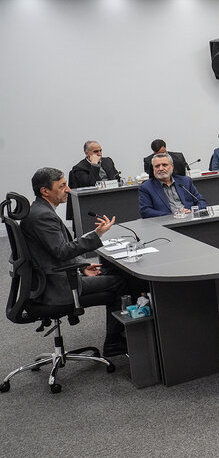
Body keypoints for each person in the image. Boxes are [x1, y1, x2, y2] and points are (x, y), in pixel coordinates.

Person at [21, 167, 128, 357]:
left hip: (48, 279)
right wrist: (96, 234)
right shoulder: (43, 216)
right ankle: (114, 342)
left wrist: (83, 265)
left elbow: (54, 250)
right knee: (121, 282)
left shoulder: (37, 210)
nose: (68, 189)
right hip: (57, 287)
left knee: (109, 274)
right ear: (45, 191)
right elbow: (62, 251)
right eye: (62, 186)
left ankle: (118, 337)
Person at [139, 152, 207, 217]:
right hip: (166, 222)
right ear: (153, 169)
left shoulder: (185, 181)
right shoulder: (146, 187)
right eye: (157, 166)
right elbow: (145, 211)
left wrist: (192, 211)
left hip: (189, 219)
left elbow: (201, 201)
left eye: (164, 165)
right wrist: (171, 215)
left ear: (172, 167)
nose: (161, 169)